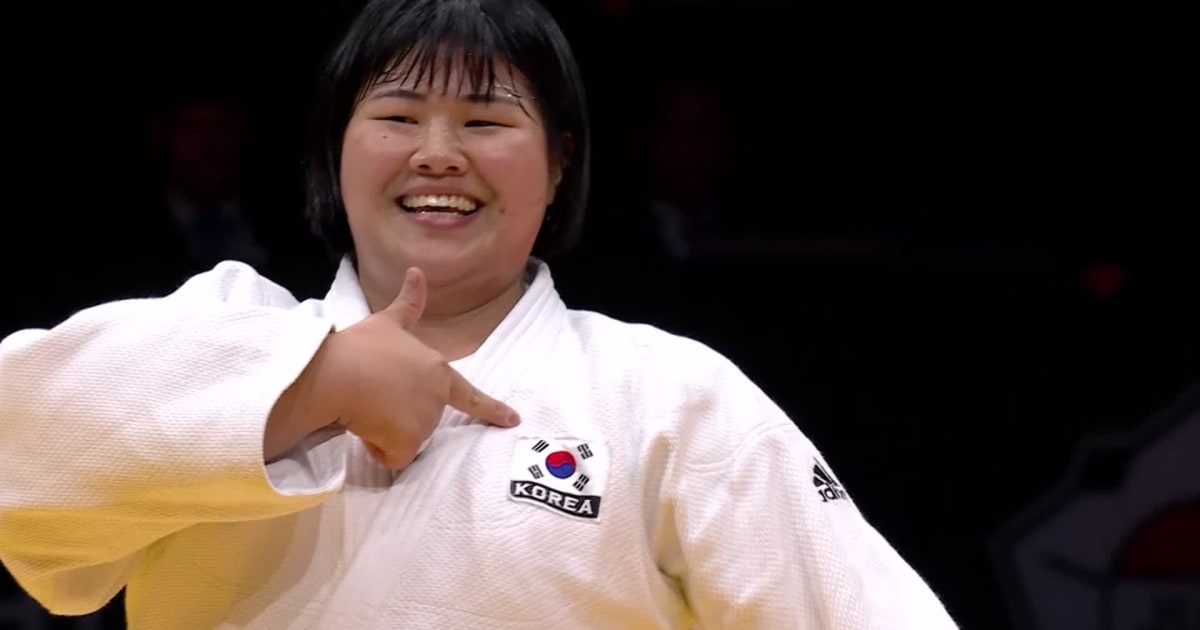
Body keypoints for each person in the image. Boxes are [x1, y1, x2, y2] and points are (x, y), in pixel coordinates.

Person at [0, 0, 959, 627]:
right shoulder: (220, 331)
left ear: (560, 165)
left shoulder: (666, 397)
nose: (438, 153)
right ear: (333, 152)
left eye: (487, 121)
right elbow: (20, 466)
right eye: (397, 116)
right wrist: (316, 380)